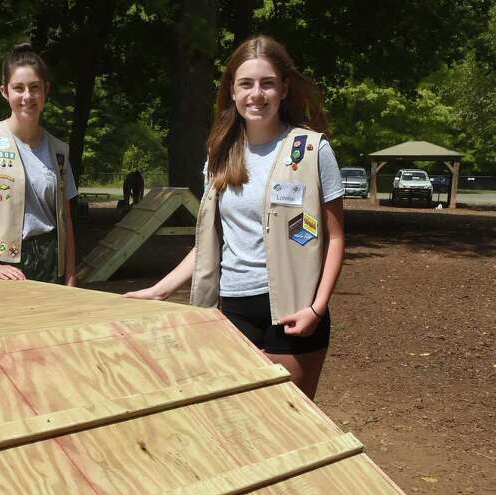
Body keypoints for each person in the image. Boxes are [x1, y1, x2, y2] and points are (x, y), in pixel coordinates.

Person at [125, 36, 345, 399]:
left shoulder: (311, 150)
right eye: (246, 84)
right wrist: (159, 290)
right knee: (240, 422)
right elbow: (210, 243)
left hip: (294, 311)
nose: (256, 94)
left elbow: (335, 239)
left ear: (285, 88)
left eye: (267, 83)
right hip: (233, 308)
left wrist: (315, 310)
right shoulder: (220, 154)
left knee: (287, 424)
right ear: (231, 90)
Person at [0, 43, 78, 285]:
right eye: (18, 88)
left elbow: (65, 221)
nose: (27, 97)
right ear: (4, 91)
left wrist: (71, 277)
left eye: (34, 88)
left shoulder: (59, 151)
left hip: (50, 266)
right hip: (0, 268)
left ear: (45, 90)